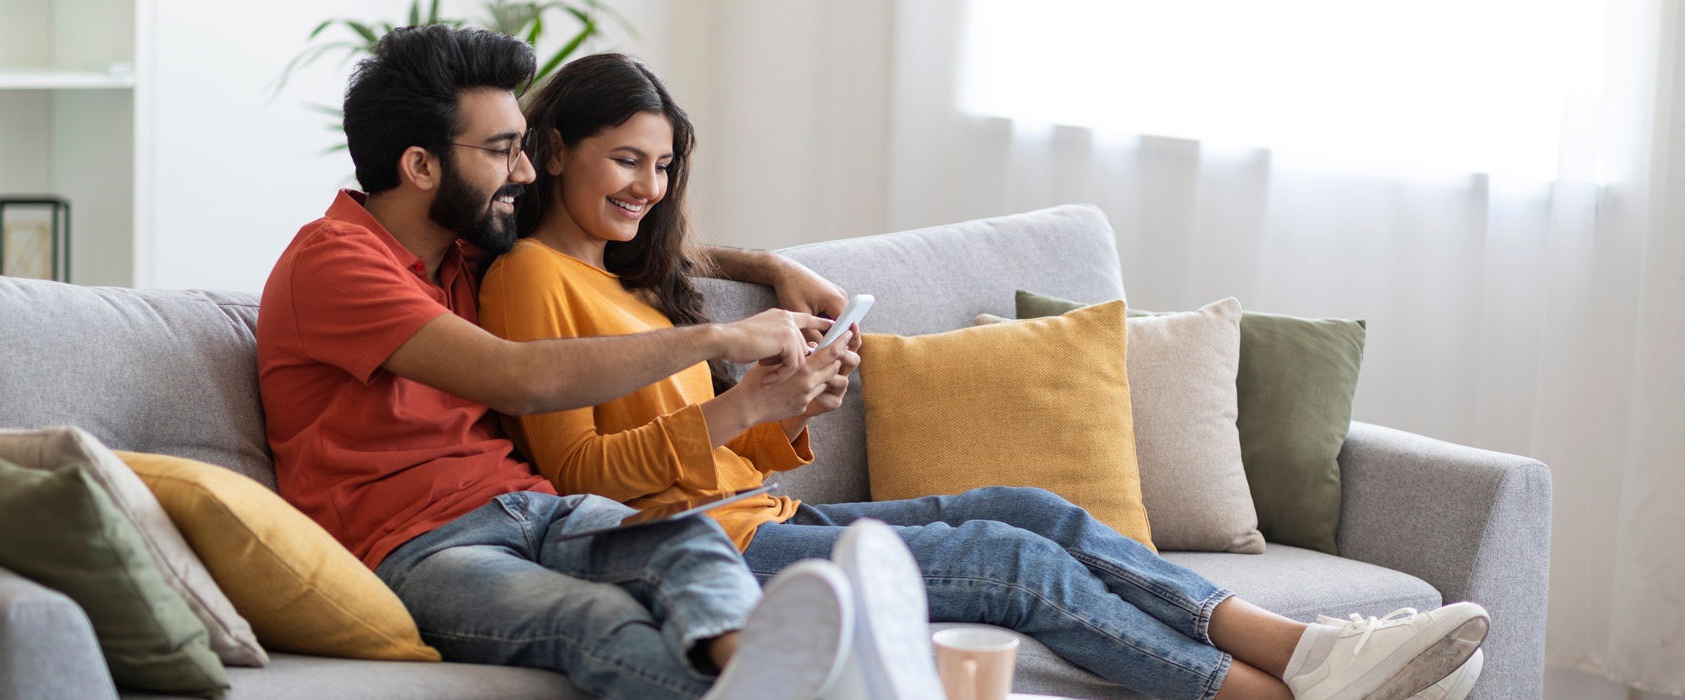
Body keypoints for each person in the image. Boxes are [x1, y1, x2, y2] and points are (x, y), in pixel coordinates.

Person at [479, 52, 1492, 700]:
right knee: (1010, 564)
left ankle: (1309, 652)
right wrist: (747, 401)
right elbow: (588, 485)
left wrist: (787, 405)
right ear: (555, 148)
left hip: (760, 521)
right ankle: (1281, 693)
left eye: (660, 170)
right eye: (625, 163)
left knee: (1030, 508)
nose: (646, 190)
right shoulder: (530, 280)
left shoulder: (636, 284)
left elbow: (701, 405)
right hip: (698, 555)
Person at [257, 25, 909, 700]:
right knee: (600, 617)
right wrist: (719, 338)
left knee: (688, 542)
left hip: (536, 510)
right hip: (421, 549)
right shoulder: (335, 262)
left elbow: (638, 249)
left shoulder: (458, 249)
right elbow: (519, 377)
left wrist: (771, 265)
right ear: (421, 167)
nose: (527, 172)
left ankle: (767, 677)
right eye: (502, 151)